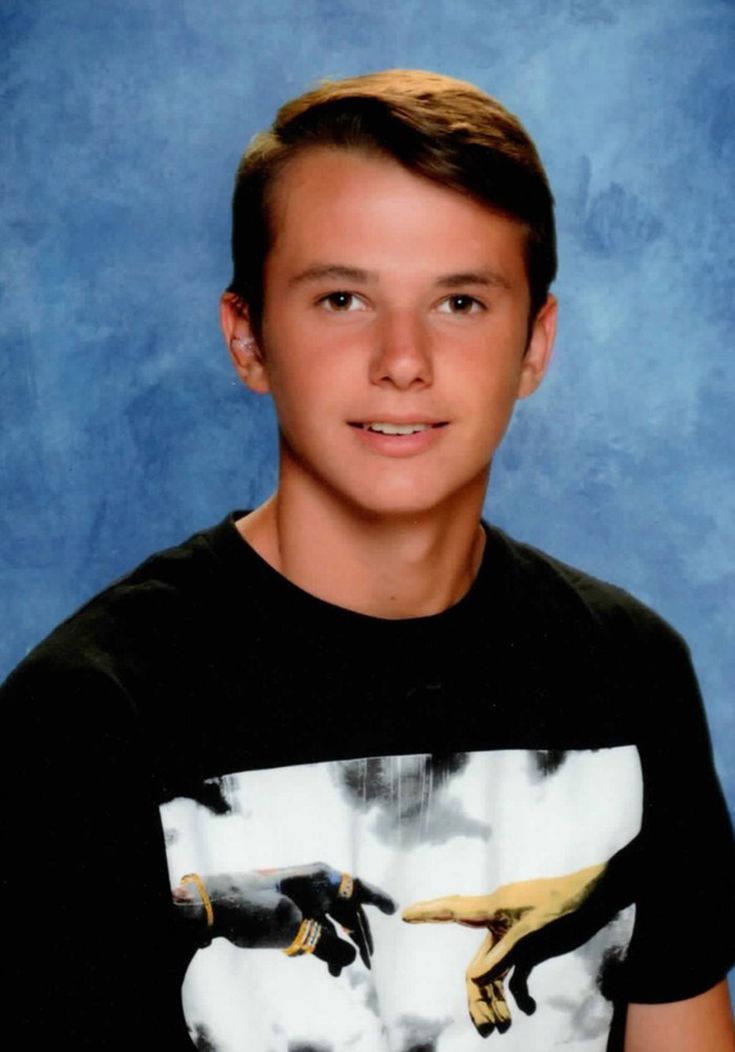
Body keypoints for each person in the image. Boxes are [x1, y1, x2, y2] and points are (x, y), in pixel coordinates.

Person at [5, 69, 734, 1051]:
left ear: (536, 345)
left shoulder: (632, 672)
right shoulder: (90, 713)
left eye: (461, 302)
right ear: (247, 337)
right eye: (343, 297)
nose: (403, 357)